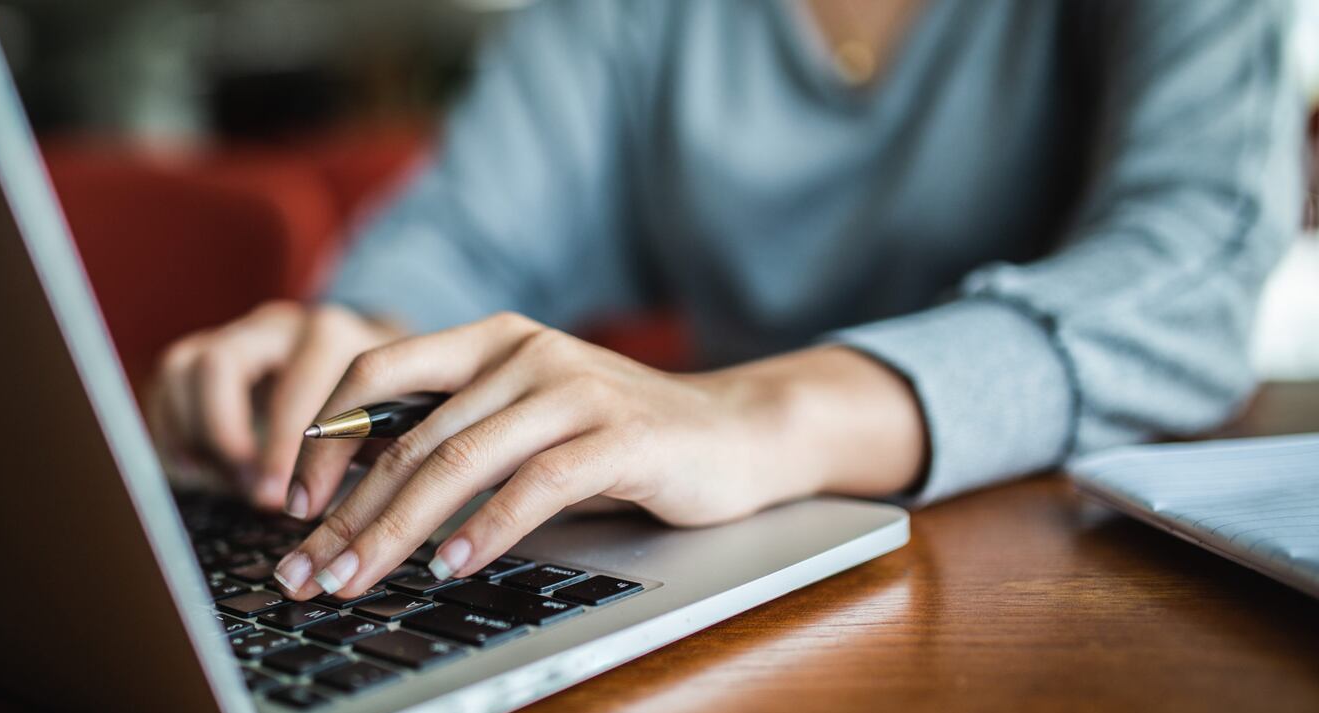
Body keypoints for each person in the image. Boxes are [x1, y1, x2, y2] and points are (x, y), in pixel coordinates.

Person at [148, 0, 1304, 601]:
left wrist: (755, 415)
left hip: (1063, 575)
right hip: (723, 575)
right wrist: (366, 353)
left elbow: (1188, 277)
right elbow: (462, 236)